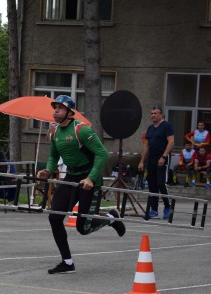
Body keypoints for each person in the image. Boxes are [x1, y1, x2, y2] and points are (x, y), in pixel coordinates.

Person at [36, 95, 125, 275]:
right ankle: (67, 262)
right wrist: (48, 169)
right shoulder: (54, 132)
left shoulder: (81, 130)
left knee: (83, 227)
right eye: (55, 108)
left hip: (89, 180)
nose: (55, 111)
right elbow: (53, 155)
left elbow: (102, 154)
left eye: (60, 108)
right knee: (54, 218)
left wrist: (91, 178)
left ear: (69, 112)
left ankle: (111, 218)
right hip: (71, 177)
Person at [138, 105, 174, 219]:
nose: (153, 115)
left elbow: (171, 142)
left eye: (155, 113)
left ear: (161, 114)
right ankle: (153, 210)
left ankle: (167, 206)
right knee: (152, 184)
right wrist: (142, 161)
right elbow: (147, 145)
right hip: (151, 159)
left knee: (160, 183)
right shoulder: (150, 128)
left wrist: (163, 157)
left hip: (162, 158)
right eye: (151, 113)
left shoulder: (166, 126)